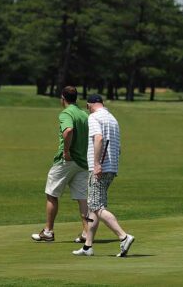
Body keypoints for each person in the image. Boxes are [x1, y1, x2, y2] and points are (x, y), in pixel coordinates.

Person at [73, 94, 135, 258]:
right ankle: (88, 247)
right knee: (94, 206)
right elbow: (118, 147)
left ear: (90, 105)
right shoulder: (112, 119)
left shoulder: (94, 117)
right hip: (112, 167)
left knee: (97, 207)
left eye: (87, 107)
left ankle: (123, 236)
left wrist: (97, 165)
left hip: (99, 168)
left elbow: (98, 139)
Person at [31, 86, 90, 244]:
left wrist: (66, 151)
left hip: (67, 161)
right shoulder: (84, 114)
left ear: (63, 98)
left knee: (52, 194)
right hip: (82, 162)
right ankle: (86, 232)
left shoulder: (66, 113)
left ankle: (48, 231)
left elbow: (68, 130)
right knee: (82, 198)